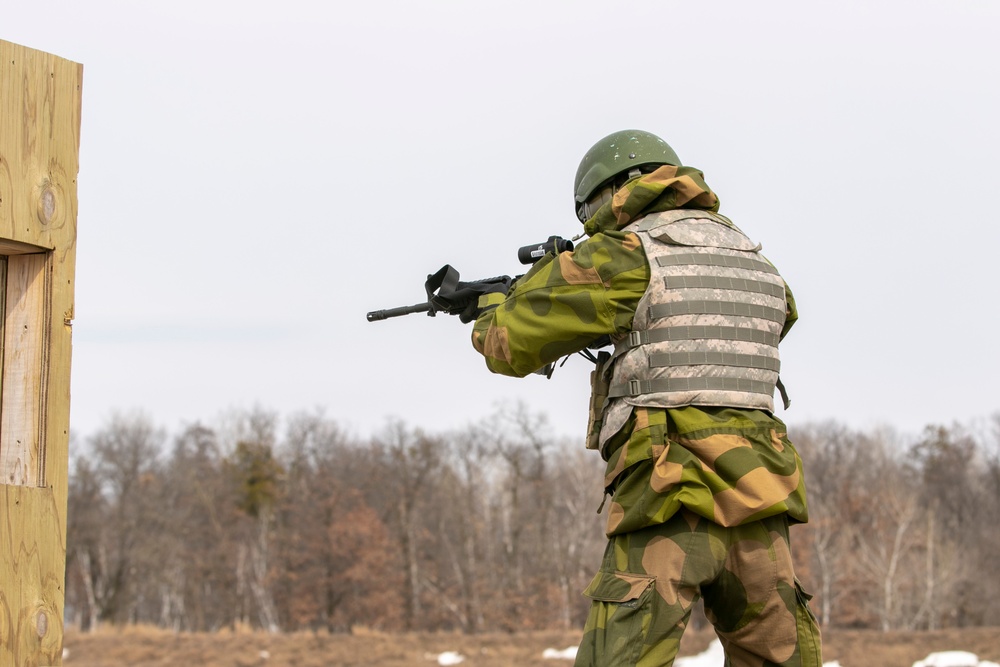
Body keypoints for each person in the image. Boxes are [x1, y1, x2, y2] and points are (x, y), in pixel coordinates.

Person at [468, 130, 823, 667]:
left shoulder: (623, 254)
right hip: (761, 496)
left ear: (608, 193)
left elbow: (506, 344)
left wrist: (493, 302)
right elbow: (766, 321)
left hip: (669, 492)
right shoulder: (756, 260)